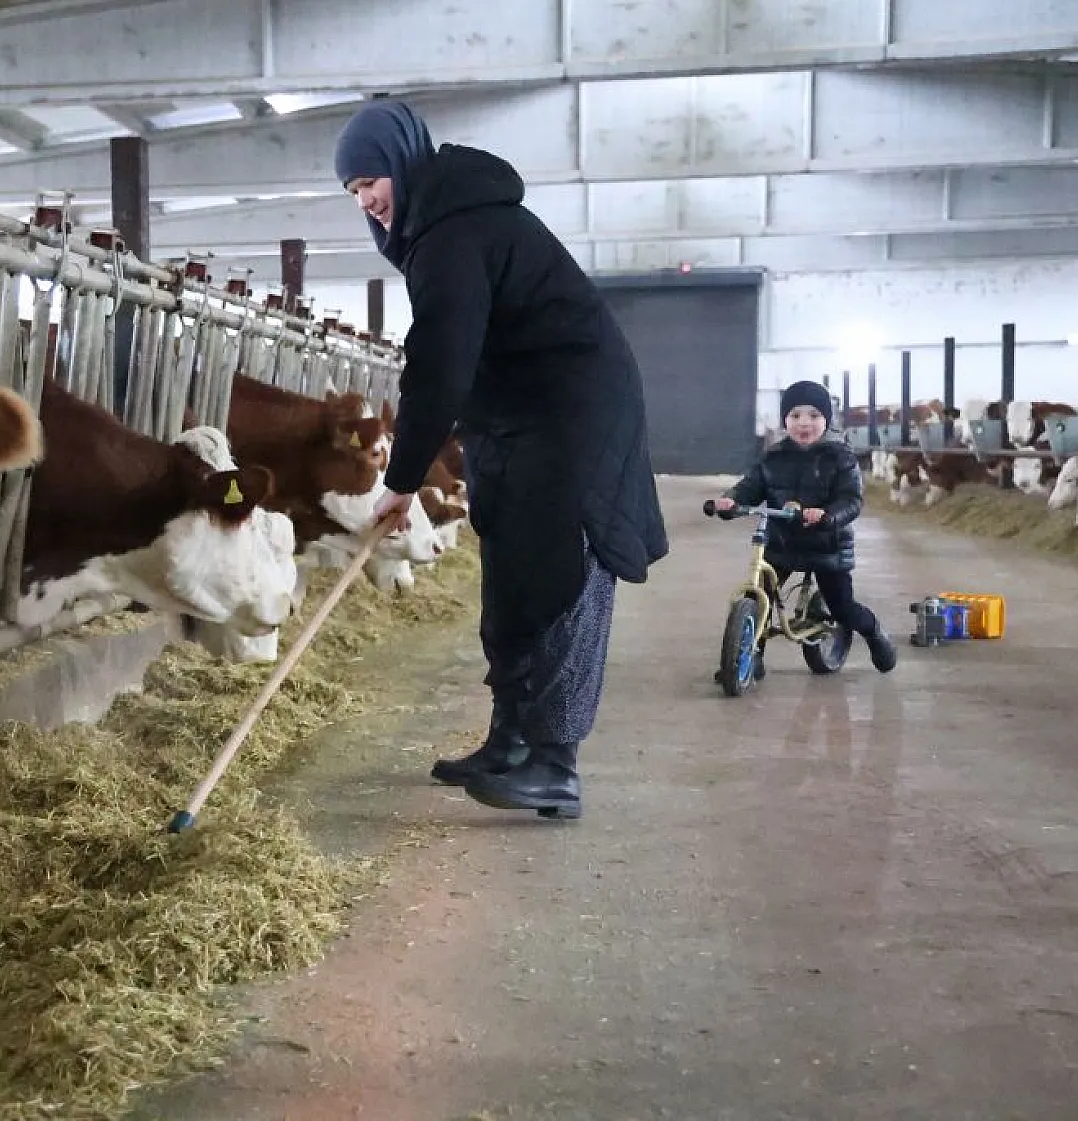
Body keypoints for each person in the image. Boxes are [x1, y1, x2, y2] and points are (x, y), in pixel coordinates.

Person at [331, 100, 669, 819]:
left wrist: (402, 478)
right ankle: (510, 740)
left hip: (574, 416)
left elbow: (439, 365)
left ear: (401, 162)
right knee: (509, 574)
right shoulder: (436, 232)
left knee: (562, 576)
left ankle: (557, 765)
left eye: (370, 181)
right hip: (515, 420)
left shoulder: (458, 231)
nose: (366, 201)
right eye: (354, 192)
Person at [712, 380, 899, 678]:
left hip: (827, 546)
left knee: (842, 608)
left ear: (826, 419)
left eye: (813, 415)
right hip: (783, 543)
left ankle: (875, 633)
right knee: (760, 594)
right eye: (795, 415)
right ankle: (748, 658)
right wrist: (730, 501)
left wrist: (827, 515)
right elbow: (749, 488)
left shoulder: (841, 457)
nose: (804, 423)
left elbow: (851, 500)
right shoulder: (773, 457)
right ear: (785, 419)